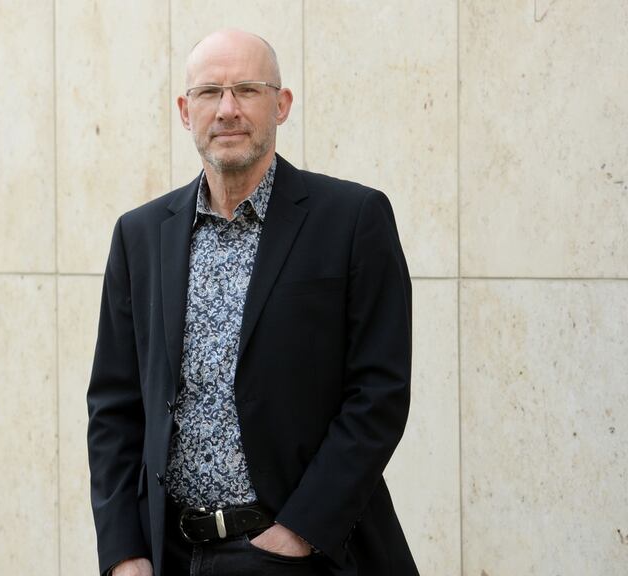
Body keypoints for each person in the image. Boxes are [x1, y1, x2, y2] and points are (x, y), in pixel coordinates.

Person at [86, 29, 417, 576]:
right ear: (185, 111)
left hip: (300, 554)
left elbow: (379, 393)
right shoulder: (139, 236)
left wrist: (300, 531)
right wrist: (125, 552)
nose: (227, 110)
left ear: (281, 105)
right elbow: (114, 407)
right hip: (172, 554)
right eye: (209, 93)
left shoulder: (353, 219)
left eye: (247, 90)